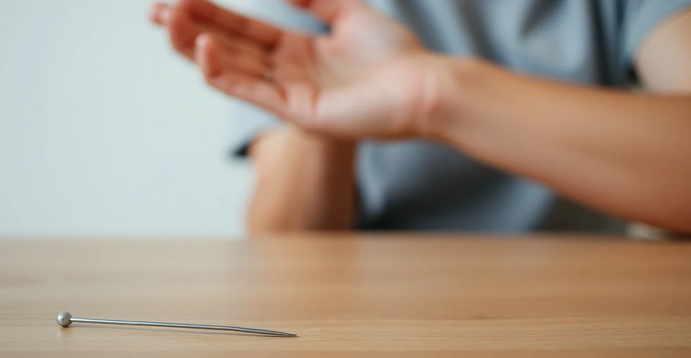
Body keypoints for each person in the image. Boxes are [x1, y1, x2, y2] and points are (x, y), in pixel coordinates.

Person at [150, 0, 691, 235]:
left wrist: (437, 96)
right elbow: (285, 253)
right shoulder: (310, 12)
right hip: (380, 336)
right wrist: (325, 120)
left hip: (590, 320)